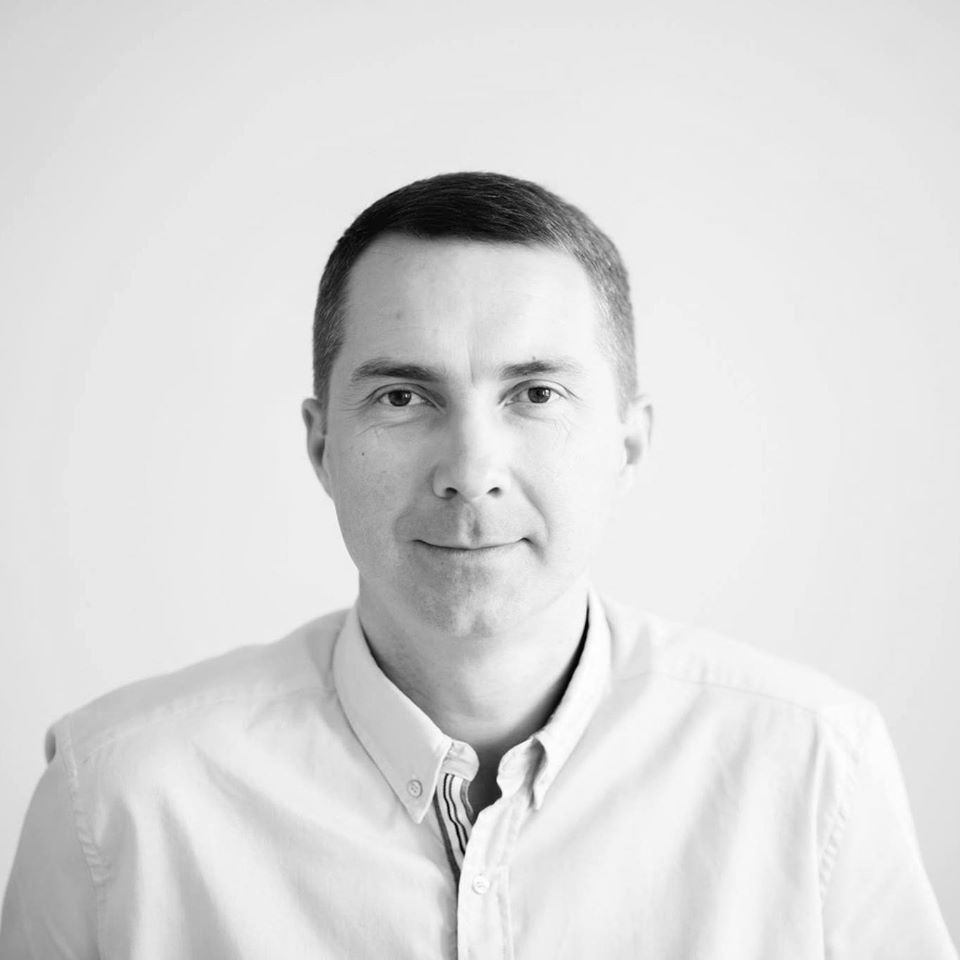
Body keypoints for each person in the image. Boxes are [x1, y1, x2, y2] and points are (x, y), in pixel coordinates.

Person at [1, 172, 955, 959]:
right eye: (403, 397)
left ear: (628, 443)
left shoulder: (814, 767)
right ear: (321, 445)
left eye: (535, 393)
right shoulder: (118, 797)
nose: (469, 471)